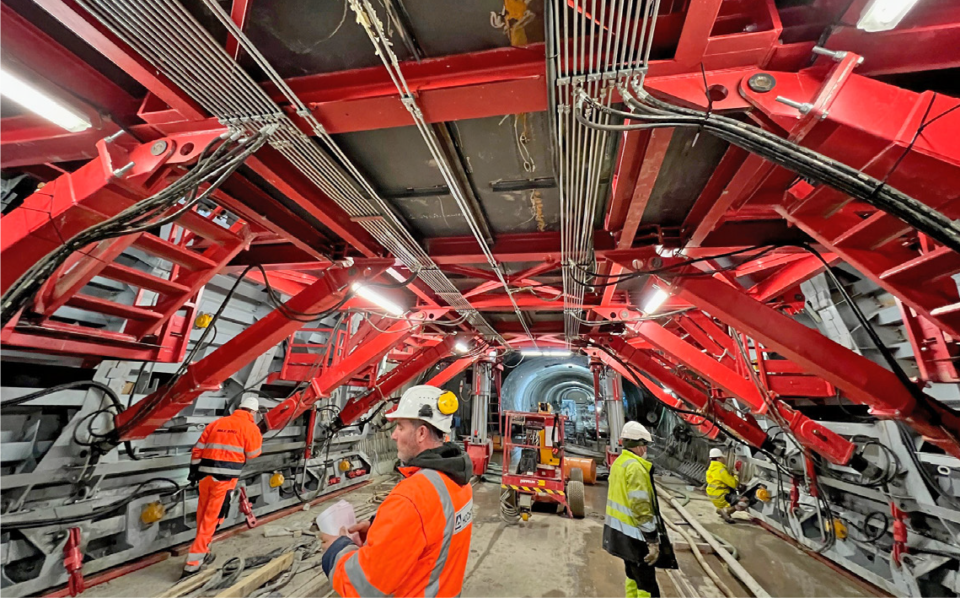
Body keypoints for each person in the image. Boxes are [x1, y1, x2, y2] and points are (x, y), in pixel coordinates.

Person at [321, 385, 474, 598]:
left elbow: (362, 585)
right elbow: (432, 532)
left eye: (400, 427)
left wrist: (336, 549)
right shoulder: (459, 481)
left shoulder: (411, 497)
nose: (393, 435)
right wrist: (378, 529)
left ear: (421, 433)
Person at [182, 396, 263, 578]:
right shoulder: (250, 428)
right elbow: (253, 454)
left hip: (204, 477)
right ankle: (193, 563)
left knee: (203, 516)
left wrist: (194, 472)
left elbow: (197, 450)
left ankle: (205, 550)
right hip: (224, 480)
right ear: (253, 412)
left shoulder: (217, 423)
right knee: (213, 518)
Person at [604, 421, 665, 598]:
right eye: (644, 444)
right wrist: (652, 540)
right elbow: (641, 507)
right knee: (648, 587)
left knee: (632, 577)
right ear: (637, 445)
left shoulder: (619, 463)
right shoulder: (636, 468)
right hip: (636, 536)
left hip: (619, 533)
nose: (646, 449)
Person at [706, 447, 748, 523]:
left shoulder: (711, 469)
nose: (724, 459)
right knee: (744, 500)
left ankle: (720, 509)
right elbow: (734, 484)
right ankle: (726, 511)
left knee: (732, 495)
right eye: (722, 458)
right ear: (718, 458)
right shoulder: (721, 470)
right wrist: (736, 474)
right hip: (721, 496)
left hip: (714, 496)